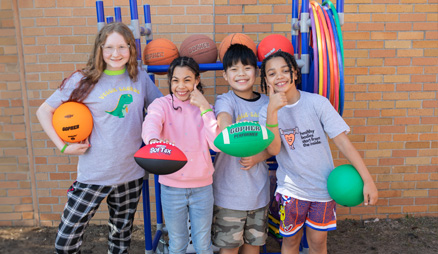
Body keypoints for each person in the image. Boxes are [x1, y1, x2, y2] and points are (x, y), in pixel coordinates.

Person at [36, 22, 162, 254]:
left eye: (122, 47)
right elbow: (43, 111)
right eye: (109, 47)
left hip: (130, 174)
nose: (116, 54)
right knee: (65, 243)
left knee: (120, 240)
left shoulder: (139, 78)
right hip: (94, 174)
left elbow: (160, 108)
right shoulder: (84, 80)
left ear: (131, 49)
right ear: (100, 49)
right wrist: (63, 147)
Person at [258, 51, 378, 254]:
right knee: (291, 243)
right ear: (266, 80)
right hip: (291, 191)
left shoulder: (317, 103)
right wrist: (272, 111)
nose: (279, 76)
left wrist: (368, 180)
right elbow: (274, 149)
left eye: (285, 70)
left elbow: (344, 144)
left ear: (295, 74)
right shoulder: (265, 112)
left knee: (317, 243)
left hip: (322, 190)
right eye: (272, 73)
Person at [141, 56, 220, 254]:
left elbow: (216, 144)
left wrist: (204, 108)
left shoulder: (206, 108)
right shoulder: (162, 104)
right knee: (178, 243)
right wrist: (153, 141)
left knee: (203, 243)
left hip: (202, 187)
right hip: (171, 187)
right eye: (175, 80)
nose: (180, 86)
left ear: (197, 80)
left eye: (187, 79)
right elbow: (151, 122)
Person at [212, 44, 271, 254]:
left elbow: (276, 143)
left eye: (247, 68)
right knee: (228, 250)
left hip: (259, 193)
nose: (241, 74)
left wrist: (259, 156)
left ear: (256, 72)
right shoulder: (225, 100)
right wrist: (229, 132)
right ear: (225, 75)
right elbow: (224, 122)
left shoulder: (267, 103)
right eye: (234, 69)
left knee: (253, 248)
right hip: (229, 195)